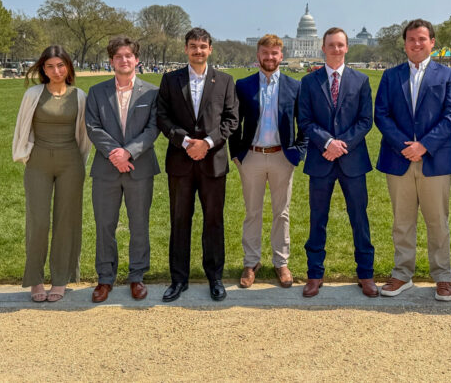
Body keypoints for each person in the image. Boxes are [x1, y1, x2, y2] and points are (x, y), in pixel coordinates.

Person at [374, 19, 451, 301]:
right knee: (402, 221)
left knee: (437, 221)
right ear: (405, 44)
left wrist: (424, 145)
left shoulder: (447, 75)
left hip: (435, 160)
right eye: (411, 39)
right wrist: (407, 146)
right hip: (399, 158)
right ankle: (402, 273)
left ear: (432, 43)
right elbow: (382, 115)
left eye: (422, 39)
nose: (416, 44)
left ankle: (442, 276)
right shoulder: (391, 76)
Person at [156, 28, 239, 302]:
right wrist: (184, 141)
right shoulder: (170, 80)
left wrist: (208, 143)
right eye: (193, 46)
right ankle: (178, 279)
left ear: (210, 49)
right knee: (180, 221)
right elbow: (162, 116)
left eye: (203, 46)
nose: (198, 51)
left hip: (212, 162)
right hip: (180, 161)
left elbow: (231, 119)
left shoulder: (225, 81)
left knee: (213, 221)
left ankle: (215, 277)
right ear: (185, 49)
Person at [298, 27, 377, 298]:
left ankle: (366, 274)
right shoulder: (309, 83)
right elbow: (305, 121)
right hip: (321, 160)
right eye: (331, 45)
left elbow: (366, 120)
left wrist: (341, 144)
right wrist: (327, 143)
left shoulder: (361, 80)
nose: (336, 49)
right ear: (323, 47)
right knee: (317, 219)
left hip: (352, 160)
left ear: (347, 48)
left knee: (359, 218)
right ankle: (314, 274)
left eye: (341, 45)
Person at [12, 46, 91, 302]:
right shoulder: (33, 94)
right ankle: (35, 280)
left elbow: (84, 136)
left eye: (60, 65)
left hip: (70, 162)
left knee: (66, 222)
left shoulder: (80, 96)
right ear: (42, 69)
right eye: (50, 66)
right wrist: (25, 155)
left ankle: (60, 279)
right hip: (38, 162)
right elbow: (22, 128)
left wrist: (78, 162)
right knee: (39, 222)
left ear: (68, 66)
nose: (56, 71)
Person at [85, 36, 160, 303]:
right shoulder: (96, 92)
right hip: (106, 170)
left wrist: (129, 152)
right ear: (111, 61)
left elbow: (153, 129)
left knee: (139, 224)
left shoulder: (151, 92)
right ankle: (105, 279)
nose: (124, 60)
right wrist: (115, 154)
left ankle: (136, 276)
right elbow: (93, 127)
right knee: (105, 225)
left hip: (139, 168)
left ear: (136, 60)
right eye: (118, 56)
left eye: (128, 55)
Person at [229, 34, 306, 289]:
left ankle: (281, 262)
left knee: (281, 212)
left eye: (274, 53)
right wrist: (237, 155)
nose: (270, 57)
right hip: (251, 155)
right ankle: (251, 262)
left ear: (281, 56)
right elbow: (233, 123)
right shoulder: (244, 85)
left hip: (282, 157)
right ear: (258, 55)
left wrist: (297, 153)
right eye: (265, 53)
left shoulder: (295, 87)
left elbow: (303, 123)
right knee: (252, 212)